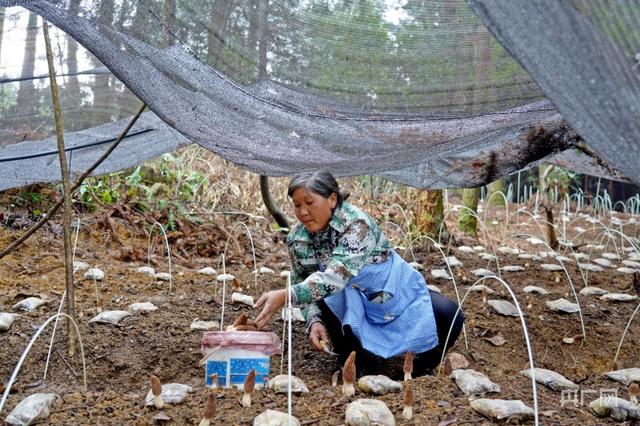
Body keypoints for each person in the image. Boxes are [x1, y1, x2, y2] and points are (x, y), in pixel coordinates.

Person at [254, 171, 465, 376]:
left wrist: (285, 296)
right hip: (346, 302)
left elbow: (334, 278)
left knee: (448, 314)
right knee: (333, 300)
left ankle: (420, 367)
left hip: (387, 292)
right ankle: (354, 363)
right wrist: (314, 320)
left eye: (309, 203)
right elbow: (305, 280)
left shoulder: (356, 225)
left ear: (332, 199)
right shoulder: (298, 239)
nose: (303, 212)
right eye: (297, 205)